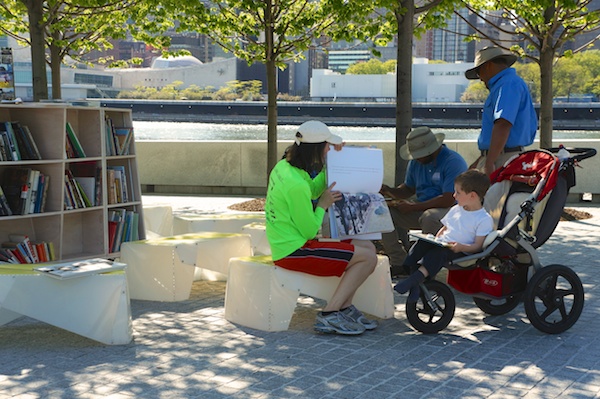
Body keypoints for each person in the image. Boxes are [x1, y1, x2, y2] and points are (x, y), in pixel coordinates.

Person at [265, 120, 379, 336]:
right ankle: (330, 313)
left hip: (290, 244)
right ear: (316, 148)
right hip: (294, 251)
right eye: (327, 145)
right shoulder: (295, 184)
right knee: (369, 258)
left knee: (367, 246)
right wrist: (323, 206)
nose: (330, 148)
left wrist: (332, 164)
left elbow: (314, 190)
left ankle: (344, 308)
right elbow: (309, 230)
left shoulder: (285, 167)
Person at [394, 169, 494, 302]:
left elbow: (478, 246)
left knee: (438, 254)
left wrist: (461, 247)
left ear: (472, 196)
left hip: (461, 253)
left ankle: (415, 279)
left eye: (458, 192)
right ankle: (413, 280)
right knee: (421, 244)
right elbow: (445, 228)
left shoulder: (483, 219)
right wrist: (436, 238)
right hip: (444, 244)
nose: (454, 195)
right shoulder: (456, 209)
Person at [379, 126, 467, 277]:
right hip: (421, 207)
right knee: (380, 214)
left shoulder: (453, 161)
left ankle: (426, 264)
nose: (417, 158)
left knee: (429, 217)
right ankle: (400, 261)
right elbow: (408, 189)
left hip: (452, 211)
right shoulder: (415, 163)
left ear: (431, 150)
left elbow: (448, 199)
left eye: (420, 155)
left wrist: (413, 207)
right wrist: (389, 190)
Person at [465, 46, 538, 176]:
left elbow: (503, 124)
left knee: (492, 196)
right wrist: (481, 160)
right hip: (500, 156)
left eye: (479, 72)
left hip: (502, 159)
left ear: (488, 66)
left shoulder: (507, 84)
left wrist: (489, 162)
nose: (480, 78)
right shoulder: (508, 84)